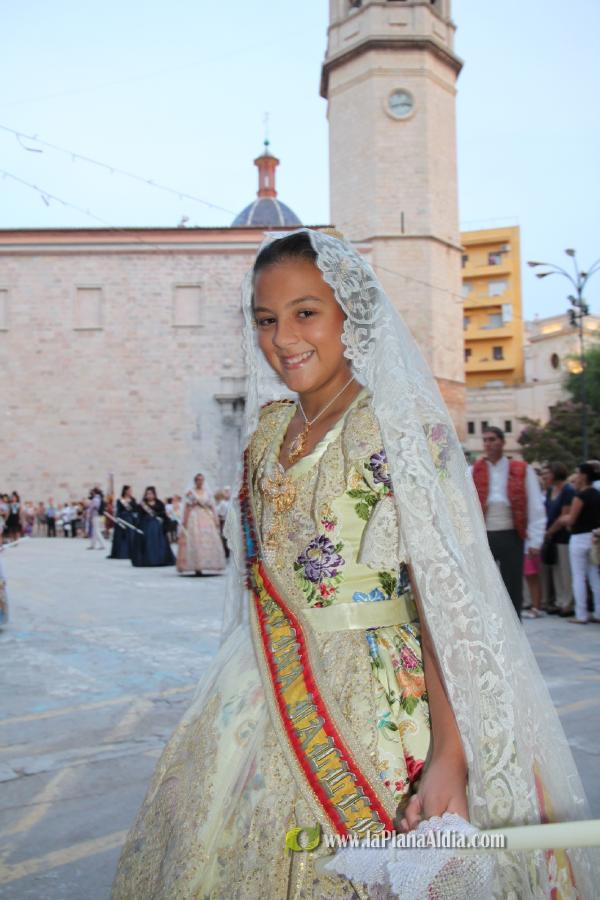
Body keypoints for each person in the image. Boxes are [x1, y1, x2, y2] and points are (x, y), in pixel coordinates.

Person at [112, 230, 597, 899]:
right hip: (259, 689)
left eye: (306, 312)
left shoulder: (397, 427)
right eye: (266, 319)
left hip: (384, 699)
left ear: (351, 314)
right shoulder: (266, 434)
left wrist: (450, 757)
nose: (284, 338)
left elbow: (445, 599)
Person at [472, 427, 546, 618]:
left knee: (513, 584)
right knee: (483, 584)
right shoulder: (473, 470)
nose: (488, 444)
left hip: (512, 533)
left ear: (503, 442)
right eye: (485, 440)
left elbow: (535, 505)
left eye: (493, 439)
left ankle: (515, 625)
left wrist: (535, 540)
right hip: (484, 534)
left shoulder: (522, 469)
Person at [561, 462, 600, 625]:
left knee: (578, 576)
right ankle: (598, 612)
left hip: (579, 537)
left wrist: (564, 520)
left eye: (578, 473)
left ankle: (581, 614)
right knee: (594, 576)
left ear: (583, 476)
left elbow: (572, 519)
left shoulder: (581, 495)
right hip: (594, 537)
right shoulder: (597, 494)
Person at [541, 462, 575, 616]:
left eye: (547, 473)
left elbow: (564, 515)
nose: (545, 476)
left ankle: (568, 603)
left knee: (565, 571)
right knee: (556, 570)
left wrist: (550, 531)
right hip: (551, 536)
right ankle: (559, 601)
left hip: (562, 536)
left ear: (555, 473)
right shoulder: (550, 490)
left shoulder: (568, 490)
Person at [176, 474, 225, 575]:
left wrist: (215, 519)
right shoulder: (190, 493)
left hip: (206, 516)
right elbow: (187, 507)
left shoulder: (207, 492)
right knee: (195, 539)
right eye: (198, 480)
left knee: (208, 539)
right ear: (195, 481)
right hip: (194, 517)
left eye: (202, 480)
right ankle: (196, 566)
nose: (200, 481)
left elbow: (212, 506)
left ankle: (210, 563)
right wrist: (184, 521)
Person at [130, 487, 175, 568]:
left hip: (157, 528)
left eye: (151, 493)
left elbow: (163, 515)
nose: (149, 495)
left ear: (154, 494)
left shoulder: (159, 503)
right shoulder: (142, 504)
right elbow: (139, 516)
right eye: (147, 494)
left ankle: (159, 560)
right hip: (145, 526)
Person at [109, 485, 137, 559]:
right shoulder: (120, 500)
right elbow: (118, 511)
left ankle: (131, 553)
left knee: (130, 536)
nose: (130, 492)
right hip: (122, 519)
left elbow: (135, 510)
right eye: (129, 490)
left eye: (131, 490)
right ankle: (121, 553)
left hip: (130, 520)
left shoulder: (133, 500)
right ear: (125, 491)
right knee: (121, 537)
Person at [215, 485, 232, 558]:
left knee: (225, 537)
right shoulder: (223, 503)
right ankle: (226, 553)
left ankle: (227, 553)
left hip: (225, 521)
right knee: (224, 537)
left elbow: (220, 513)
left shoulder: (225, 503)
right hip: (224, 521)